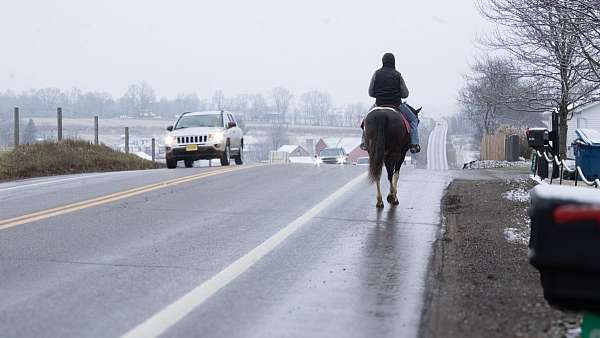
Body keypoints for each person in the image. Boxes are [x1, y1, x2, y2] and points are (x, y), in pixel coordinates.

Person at [361, 52, 420, 153]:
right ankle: (414, 144)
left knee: (365, 121)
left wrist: (380, 94)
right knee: (414, 119)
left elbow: (370, 92)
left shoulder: (376, 74)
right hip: (396, 104)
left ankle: (364, 143)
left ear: (383, 62)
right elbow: (405, 94)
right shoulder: (398, 75)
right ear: (394, 62)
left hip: (379, 104)